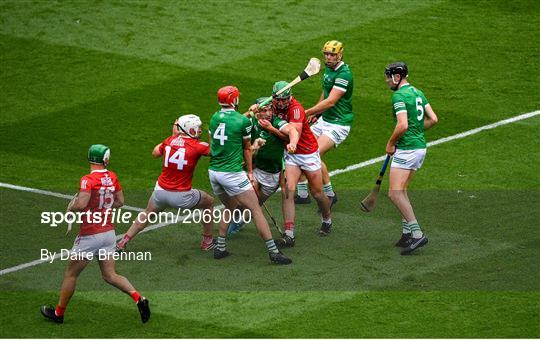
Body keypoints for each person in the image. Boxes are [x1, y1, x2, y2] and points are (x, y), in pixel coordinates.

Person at [41, 145, 150, 324]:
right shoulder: (112, 176)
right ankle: (139, 298)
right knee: (110, 275)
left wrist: (72, 205)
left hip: (90, 235)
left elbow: (82, 204)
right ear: (106, 159)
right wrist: (102, 206)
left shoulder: (87, 179)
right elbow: (120, 202)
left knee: (71, 275)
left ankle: (59, 314)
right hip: (108, 234)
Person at [208, 86, 292, 264]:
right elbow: (247, 149)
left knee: (230, 208)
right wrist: (251, 172)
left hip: (214, 172)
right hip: (232, 173)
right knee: (256, 210)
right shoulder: (243, 122)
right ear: (234, 100)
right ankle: (273, 252)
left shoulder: (214, 117)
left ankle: (220, 247)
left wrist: (249, 112)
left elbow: (213, 145)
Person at [116, 115, 216, 252]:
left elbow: (155, 153)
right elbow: (214, 151)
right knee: (209, 202)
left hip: (160, 192)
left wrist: (174, 135)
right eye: (197, 128)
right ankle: (207, 241)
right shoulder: (198, 146)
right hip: (181, 197)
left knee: (147, 213)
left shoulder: (169, 141)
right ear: (190, 130)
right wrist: (211, 135)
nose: (199, 130)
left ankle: (123, 241)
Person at [254, 81, 332, 247]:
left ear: (290, 97)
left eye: (285, 100)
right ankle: (289, 234)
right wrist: (254, 110)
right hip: (290, 155)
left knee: (317, 193)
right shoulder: (271, 106)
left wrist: (271, 129)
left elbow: (293, 133)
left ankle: (327, 217)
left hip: (307, 152)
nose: (281, 103)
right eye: (278, 100)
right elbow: (258, 110)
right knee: (288, 190)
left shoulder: (295, 109)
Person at [383, 62, 438, 255]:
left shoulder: (399, 96)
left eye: (389, 77)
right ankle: (407, 233)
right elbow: (433, 119)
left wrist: (391, 143)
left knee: (394, 193)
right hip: (420, 148)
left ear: (397, 77)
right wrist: (415, 132)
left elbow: (402, 125)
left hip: (407, 150)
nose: (387, 80)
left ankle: (417, 234)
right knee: (403, 190)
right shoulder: (418, 92)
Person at [227, 97, 299, 235]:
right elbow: (232, 125)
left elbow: (293, 131)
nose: (268, 113)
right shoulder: (251, 122)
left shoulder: (277, 122)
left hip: (271, 174)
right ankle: (228, 228)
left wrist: (293, 143)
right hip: (253, 168)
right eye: (264, 110)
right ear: (257, 112)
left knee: (255, 206)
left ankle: (239, 222)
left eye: (270, 109)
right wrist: (249, 113)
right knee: (243, 201)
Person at [297, 40, 354, 206]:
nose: (328, 57)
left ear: (340, 55)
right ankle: (302, 193)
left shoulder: (344, 74)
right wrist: (317, 112)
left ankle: (329, 193)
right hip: (325, 119)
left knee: (313, 153)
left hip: (339, 123)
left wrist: (308, 112)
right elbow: (326, 91)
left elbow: (331, 101)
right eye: (326, 54)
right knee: (302, 147)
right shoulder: (329, 69)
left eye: (332, 54)